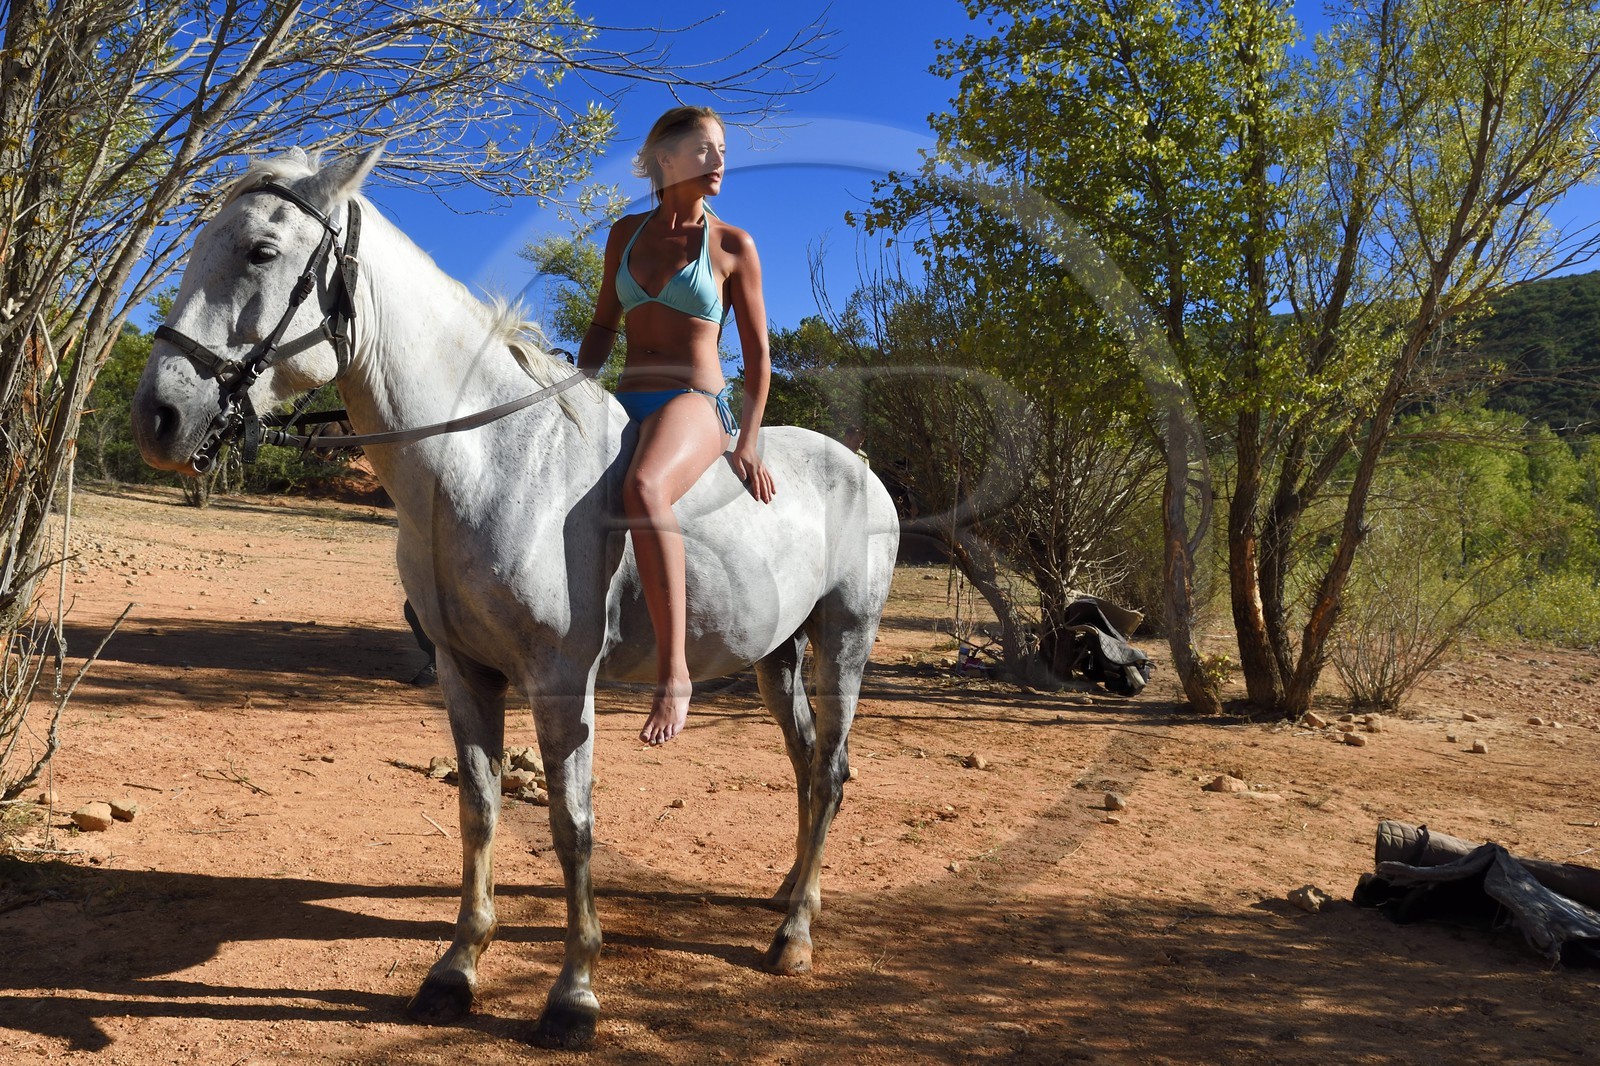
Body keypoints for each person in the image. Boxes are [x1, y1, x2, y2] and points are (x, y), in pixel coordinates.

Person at [576, 105, 776, 747]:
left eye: (722, 150)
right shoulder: (625, 233)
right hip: (624, 396)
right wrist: (578, 385)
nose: (719, 161)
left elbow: (759, 354)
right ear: (665, 158)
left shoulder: (732, 244)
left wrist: (746, 439)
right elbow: (605, 324)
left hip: (694, 402)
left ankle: (675, 674)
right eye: (704, 149)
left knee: (644, 489)